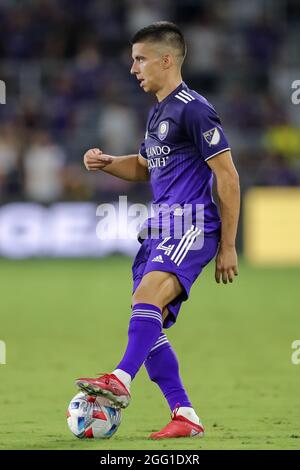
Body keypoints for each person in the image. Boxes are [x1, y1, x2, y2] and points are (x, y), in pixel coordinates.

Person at [76, 21, 240, 439]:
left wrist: (228, 245)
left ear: (166, 60)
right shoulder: (158, 113)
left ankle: (120, 380)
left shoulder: (194, 108)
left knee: (147, 299)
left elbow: (227, 175)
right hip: (159, 228)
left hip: (191, 224)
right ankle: (184, 414)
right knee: (148, 321)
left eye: (140, 59)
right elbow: (147, 166)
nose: (133, 68)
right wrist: (109, 161)